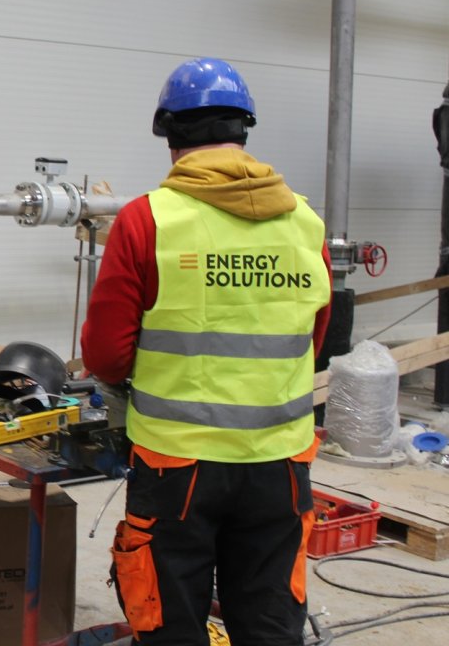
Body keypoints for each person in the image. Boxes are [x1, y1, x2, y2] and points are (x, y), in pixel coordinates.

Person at [81, 57, 333, 646]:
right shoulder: (306, 223)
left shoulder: (147, 221)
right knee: (270, 620)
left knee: (170, 619)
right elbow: (313, 340)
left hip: (177, 463)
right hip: (279, 462)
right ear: (244, 131)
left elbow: (107, 356)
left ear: (169, 135)